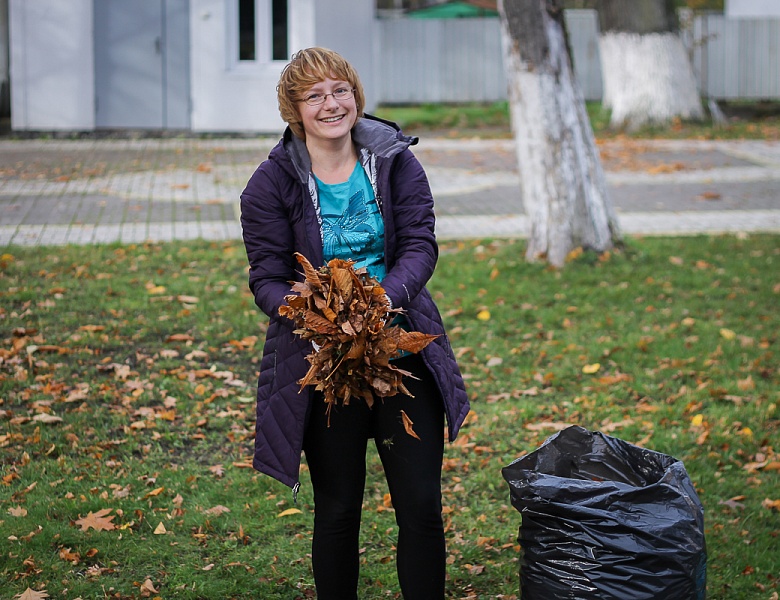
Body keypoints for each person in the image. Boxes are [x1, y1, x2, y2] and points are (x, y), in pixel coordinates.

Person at [240, 47, 469, 600]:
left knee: (420, 506)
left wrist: (382, 301)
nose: (331, 103)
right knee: (338, 508)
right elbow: (266, 278)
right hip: (325, 362)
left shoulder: (394, 161)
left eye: (340, 89)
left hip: (399, 349)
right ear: (294, 109)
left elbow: (420, 243)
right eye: (314, 95)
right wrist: (311, 312)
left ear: (356, 95)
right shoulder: (269, 184)